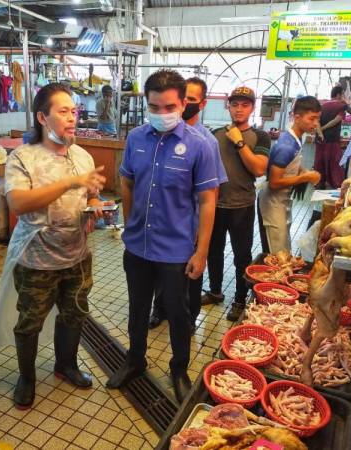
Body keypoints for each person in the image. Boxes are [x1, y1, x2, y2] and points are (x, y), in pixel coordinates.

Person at [0, 83, 108, 410]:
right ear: (42, 117)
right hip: (36, 258)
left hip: (77, 255)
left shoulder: (81, 155)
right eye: (63, 111)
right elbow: (19, 204)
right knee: (30, 320)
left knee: (75, 313)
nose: (72, 118)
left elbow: (91, 194)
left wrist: (95, 203)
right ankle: (26, 377)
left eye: (74, 111)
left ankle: (65, 364)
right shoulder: (23, 158)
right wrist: (70, 182)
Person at [106, 70, 218, 402]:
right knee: (138, 307)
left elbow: (209, 200)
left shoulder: (201, 145)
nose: (161, 114)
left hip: (176, 249)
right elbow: (125, 181)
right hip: (138, 244)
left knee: (178, 313)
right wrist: (129, 223)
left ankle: (179, 369)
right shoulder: (136, 138)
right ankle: (134, 360)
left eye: (169, 107)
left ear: (184, 103)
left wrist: (201, 252)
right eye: (154, 107)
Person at [148, 77, 227, 331]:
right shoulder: (159, 135)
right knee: (161, 275)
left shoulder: (207, 141)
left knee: (191, 279)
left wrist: (200, 236)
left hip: (190, 224)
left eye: (192, 100)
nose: (187, 105)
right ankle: (158, 310)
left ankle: (189, 319)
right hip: (163, 224)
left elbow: (212, 193)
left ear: (198, 104)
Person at [201, 86, 271, 322]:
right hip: (216, 205)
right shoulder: (215, 134)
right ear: (228, 106)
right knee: (213, 251)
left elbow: (259, 169)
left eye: (245, 104)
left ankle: (240, 299)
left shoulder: (260, 136)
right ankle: (215, 291)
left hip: (242, 205)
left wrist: (240, 143)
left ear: (252, 107)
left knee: (241, 255)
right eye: (235, 104)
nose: (239, 109)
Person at [258, 96, 322, 254]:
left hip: (282, 200)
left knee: (283, 250)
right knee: (277, 253)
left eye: (317, 119)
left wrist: (303, 170)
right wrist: (305, 177)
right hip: (272, 202)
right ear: (297, 117)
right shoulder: (286, 145)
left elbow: (290, 165)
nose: (315, 123)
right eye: (312, 118)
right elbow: (274, 182)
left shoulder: (296, 138)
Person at [315, 85, 351, 189]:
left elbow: (316, 121)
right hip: (332, 138)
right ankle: (336, 183)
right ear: (338, 94)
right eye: (343, 94)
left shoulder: (322, 105)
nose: (344, 96)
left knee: (320, 161)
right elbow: (340, 118)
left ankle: (319, 182)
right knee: (335, 162)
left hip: (320, 139)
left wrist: (320, 132)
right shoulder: (342, 105)